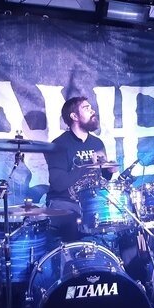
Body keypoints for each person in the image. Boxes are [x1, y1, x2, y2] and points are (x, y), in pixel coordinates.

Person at [45, 96, 118, 242]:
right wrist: (88, 164)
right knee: (76, 222)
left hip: (90, 202)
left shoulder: (97, 143)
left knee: (117, 218)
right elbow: (58, 184)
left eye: (91, 107)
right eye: (86, 108)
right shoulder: (58, 145)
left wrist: (108, 171)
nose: (92, 111)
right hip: (64, 202)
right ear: (74, 116)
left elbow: (102, 177)